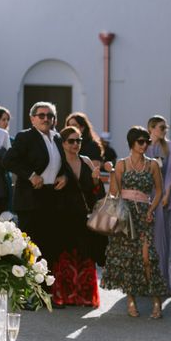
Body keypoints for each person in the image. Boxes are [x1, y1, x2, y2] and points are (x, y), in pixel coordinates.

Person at [101, 126, 167, 319]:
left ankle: (157, 300)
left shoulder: (153, 164)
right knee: (128, 258)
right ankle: (131, 299)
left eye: (147, 141)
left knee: (147, 258)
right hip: (125, 215)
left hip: (144, 214)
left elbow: (159, 191)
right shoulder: (121, 164)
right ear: (132, 143)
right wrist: (112, 172)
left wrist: (151, 210)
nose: (144, 145)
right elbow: (114, 192)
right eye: (140, 141)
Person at [2, 102, 67, 266]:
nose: (46, 119)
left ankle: (46, 289)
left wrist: (65, 176)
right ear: (32, 119)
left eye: (50, 116)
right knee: (30, 250)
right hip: (30, 199)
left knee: (50, 249)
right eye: (42, 115)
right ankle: (28, 289)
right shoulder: (25, 137)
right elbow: (8, 161)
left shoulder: (58, 138)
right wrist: (30, 175)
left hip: (53, 198)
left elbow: (65, 164)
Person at [51, 126, 101, 308]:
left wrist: (95, 179)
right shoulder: (57, 162)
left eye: (78, 141)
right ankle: (64, 296)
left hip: (82, 216)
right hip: (62, 215)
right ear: (63, 143)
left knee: (85, 254)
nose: (75, 145)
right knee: (64, 255)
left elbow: (95, 191)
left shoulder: (86, 161)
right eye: (71, 141)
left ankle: (84, 297)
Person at [147, 115, 171, 291]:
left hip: (163, 196)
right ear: (151, 128)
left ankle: (162, 283)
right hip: (146, 195)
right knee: (146, 240)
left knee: (162, 239)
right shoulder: (144, 145)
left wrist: (166, 193)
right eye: (161, 127)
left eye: (165, 127)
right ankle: (145, 280)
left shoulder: (169, 146)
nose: (164, 130)